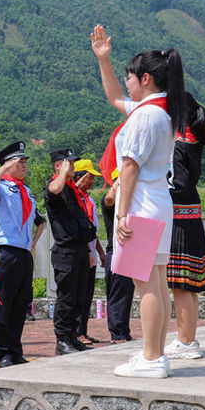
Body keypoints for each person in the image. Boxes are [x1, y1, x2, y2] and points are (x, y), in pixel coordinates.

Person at [91, 24, 186, 378]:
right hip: (157, 204)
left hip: (141, 207)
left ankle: (151, 357)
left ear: (145, 78)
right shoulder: (159, 110)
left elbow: (128, 167)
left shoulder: (146, 116)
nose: (127, 83)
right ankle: (155, 354)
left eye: (131, 77)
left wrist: (122, 215)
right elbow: (116, 97)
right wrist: (105, 61)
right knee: (156, 282)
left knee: (145, 282)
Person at [0, 141, 45, 368]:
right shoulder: (2, 187)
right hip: (5, 250)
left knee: (20, 305)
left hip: (23, 253)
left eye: (25, 161)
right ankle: (1, 352)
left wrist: (32, 245)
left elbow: (38, 222)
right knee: (3, 304)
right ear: (8, 165)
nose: (24, 165)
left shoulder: (25, 190)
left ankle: (15, 349)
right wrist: (4, 169)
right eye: (20, 162)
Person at [164, 92, 205, 359]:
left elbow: (178, 185)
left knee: (181, 284)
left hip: (179, 219)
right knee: (188, 285)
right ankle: (188, 339)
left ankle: (186, 342)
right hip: (190, 216)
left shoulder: (177, 143)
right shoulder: (192, 140)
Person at [44, 148, 96, 355]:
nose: (73, 167)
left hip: (79, 249)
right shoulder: (57, 186)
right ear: (59, 165)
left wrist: (88, 250)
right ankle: (62, 339)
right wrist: (62, 173)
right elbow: (53, 190)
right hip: (65, 251)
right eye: (69, 163)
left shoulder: (72, 189)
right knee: (66, 296)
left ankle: (73, 336)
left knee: (79, 296)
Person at [73, 159, 106, 345]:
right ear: (78, 177)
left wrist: (99, 251)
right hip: (81, 253)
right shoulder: (74, 200)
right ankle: (76, 332)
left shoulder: (90, 200)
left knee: (87, 294)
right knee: (78, 294)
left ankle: (83, 330)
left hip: (91, 254)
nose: (92, 181)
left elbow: (94, 230)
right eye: (89, 177)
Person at [102, 171, 135, 343]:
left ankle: (124, 330)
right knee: (116, 294)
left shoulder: (130, 202)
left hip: (129, 252)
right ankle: (117, 333)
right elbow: (109, 200)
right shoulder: (111, 200)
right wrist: (120, 180)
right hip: (115, 251)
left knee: (127, 294)